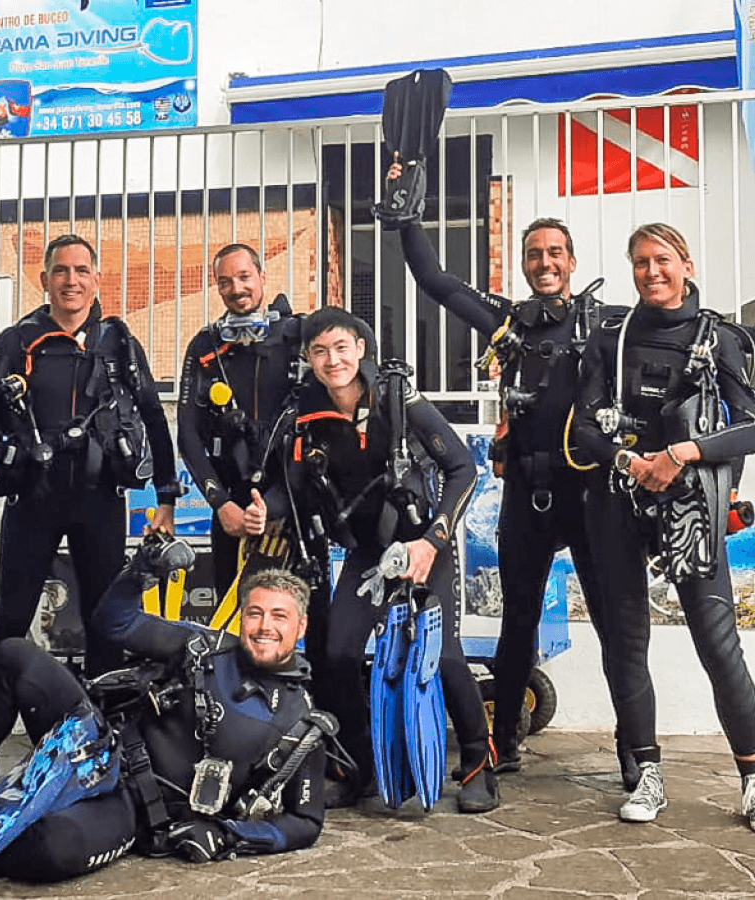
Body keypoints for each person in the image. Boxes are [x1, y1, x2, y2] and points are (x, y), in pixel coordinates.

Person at [0, 543, 325, 883]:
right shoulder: (203, 647)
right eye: (255, 613)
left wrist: (228, 835)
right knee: (13, 656)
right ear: (242, 616)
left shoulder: (302, 725)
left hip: (134, 811)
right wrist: (141, 569)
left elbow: (306, 823)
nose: (264, 627)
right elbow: (115, 623)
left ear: (300, 626)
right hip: (96, 739)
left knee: (52, 852)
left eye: (279, 617)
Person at [390, 180, 629, 778]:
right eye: (533, 254)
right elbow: (437, 283)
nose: (544, 263)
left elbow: (663, 337)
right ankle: (505, 745)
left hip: (591, 495)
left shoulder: (604, 324)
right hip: (529, 495)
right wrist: (407, 219)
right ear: (523, 264)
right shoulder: (510, 323)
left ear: (572, 262)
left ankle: (635, 751)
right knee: (517, 622)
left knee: (613, 624)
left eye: (555, 253)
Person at [261, 307, 497, 812]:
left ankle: (479, 765)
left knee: (447, 656)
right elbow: (291, 489)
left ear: (360, 349)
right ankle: (360, 768)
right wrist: (264, 509)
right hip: (368, 553)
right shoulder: (303, 412)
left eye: (341, 348)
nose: (332, 360)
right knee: (339, 653)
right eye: (320, 351)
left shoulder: (395, 396)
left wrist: (431, 540)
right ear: (308, 358)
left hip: (422, 544)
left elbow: (463, 468)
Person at [573, 223, 755, 827]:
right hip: (619, 500)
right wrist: (629, 459)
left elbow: (751, 425)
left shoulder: (720, 338)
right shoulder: (611, 339)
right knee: (626, 642)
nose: (653, 272)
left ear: (686, 263)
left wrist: (683, 453)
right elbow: (582, 431)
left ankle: (753, 774)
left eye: (663, 260)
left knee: (717, 642)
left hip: (692, 507)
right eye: (641, 263)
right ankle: (646, 772)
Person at [0, 234, 179, 674]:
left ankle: (101, 733)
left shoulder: (117, 343)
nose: (70, 281)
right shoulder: (16, 343)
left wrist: (166, 500)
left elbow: (154, 418)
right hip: (33, 500)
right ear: (44, 279)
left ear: (97, 279)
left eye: (81, 271)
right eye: (60, 271)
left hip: (101, 501)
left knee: (107, 621)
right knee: (11, 622)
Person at [177, 243, 305, 597]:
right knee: (232, 617)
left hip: (296, 501)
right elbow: (187, 435)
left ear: (263, 277)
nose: (236, 289)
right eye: (225, 282)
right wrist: (221, 505)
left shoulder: (298, 335)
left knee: (306, 616)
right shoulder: (205, 345)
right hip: (233, 508)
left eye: (244, 277)